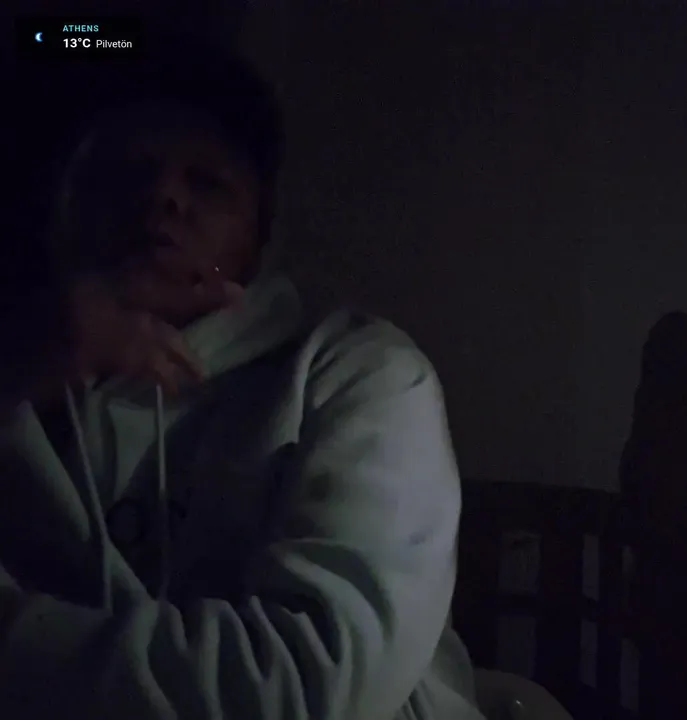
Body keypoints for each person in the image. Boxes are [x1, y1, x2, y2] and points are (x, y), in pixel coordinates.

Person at [0, 39, 485, 719]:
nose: (163, 197)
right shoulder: (16, 380)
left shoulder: (358, 374)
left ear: (258, 235)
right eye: (121, 175)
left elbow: (304, 689)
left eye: (207, 183)